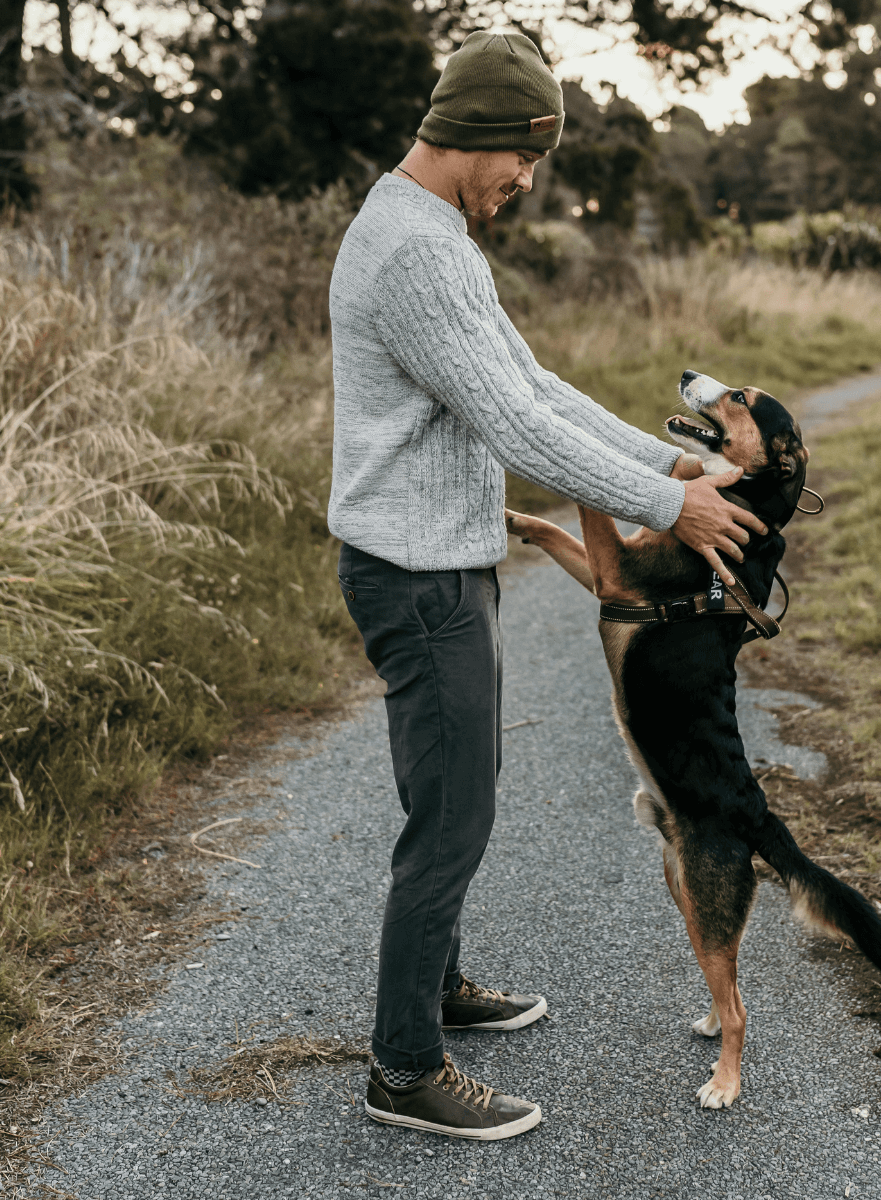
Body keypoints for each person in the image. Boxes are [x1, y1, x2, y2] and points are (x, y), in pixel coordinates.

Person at [327, 29, 765, 1141]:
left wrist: (660, 460)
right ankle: (404, 1069)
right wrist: (673, 507)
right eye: (521, 156)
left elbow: (537, 382)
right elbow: (516, 423)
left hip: (435, 563)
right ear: (469, 133)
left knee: (449, 798)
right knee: (455, 815)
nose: (528, 179)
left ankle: (435, 991)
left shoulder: (431, 233)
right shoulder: (419, 253)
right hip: (418, 578)